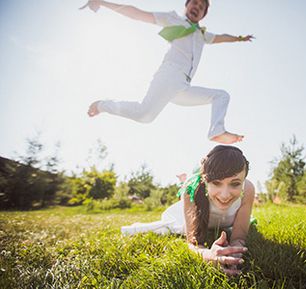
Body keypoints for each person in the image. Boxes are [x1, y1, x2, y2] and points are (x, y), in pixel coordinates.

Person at [81, 0, 254, 144]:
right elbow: (137, 13)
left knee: (221, 96)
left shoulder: (202, 34)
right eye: (195, 3)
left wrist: (239, 39)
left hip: (183, 87)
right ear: (186, 5)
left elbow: (221, 37)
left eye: (202, 8)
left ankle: (216, 131)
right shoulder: (173, 19)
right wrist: (102, 3)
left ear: (203, 15)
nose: (197, 7)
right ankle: (102, 105)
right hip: (169, 75)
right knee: (144, 115)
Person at [121, 145, 255, 275]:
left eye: (235, 183)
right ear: (205, 180)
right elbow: (193, 243)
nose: (225, 195)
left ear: (243, 180)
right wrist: (207, 254)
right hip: (192, 212)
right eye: (216, 183)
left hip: (226, 221)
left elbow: (238, 238)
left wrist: (234, 252)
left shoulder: (248, 188)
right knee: (172, 227)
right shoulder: (191, 189)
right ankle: (182, 179)